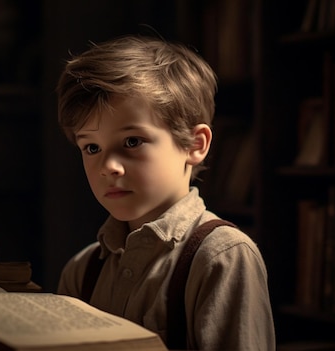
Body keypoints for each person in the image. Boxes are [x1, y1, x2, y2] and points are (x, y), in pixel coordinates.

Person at [55, 35, 275, 350]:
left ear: (195, 144)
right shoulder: (82, 269)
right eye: (91, 147)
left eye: (132, 141)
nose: (109, 166)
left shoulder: (222, 257)